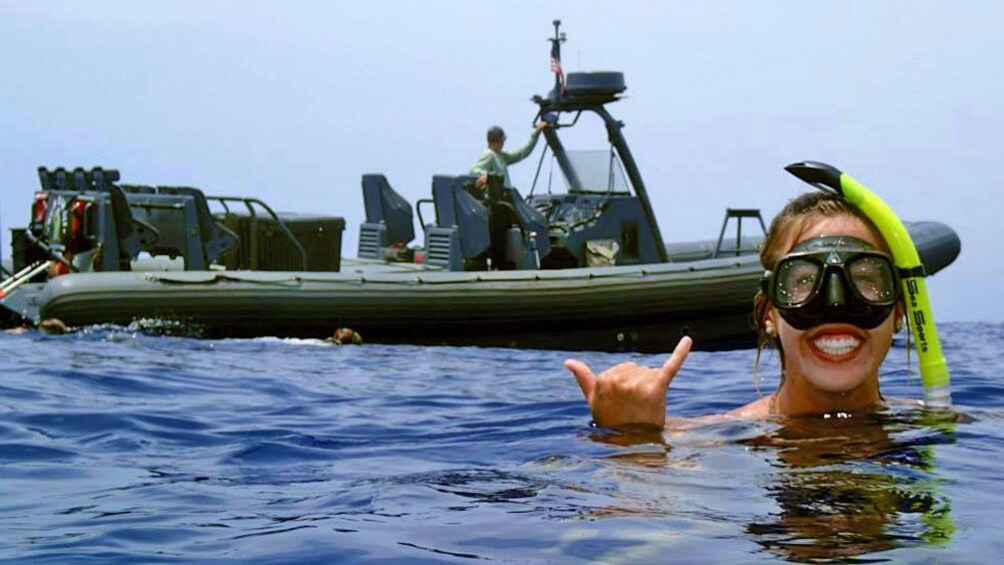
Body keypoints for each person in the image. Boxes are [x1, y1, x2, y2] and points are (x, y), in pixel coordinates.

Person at [564, 191, 908, 427]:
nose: (836, 305)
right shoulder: (705, 444)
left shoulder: (945, 429)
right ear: (768, 312)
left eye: (865, 279)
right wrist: (630, 443)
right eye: (803, 281)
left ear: (899, 311)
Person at [470, 122, 548, 191]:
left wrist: (536, 134)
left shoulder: (501, 156)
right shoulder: (489, 154)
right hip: (499, 199)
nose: (503, 143)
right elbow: (474, 170)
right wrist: (486, 175)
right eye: (502, 140)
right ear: (497, 140)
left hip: (506, 195)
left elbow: (522, 153)